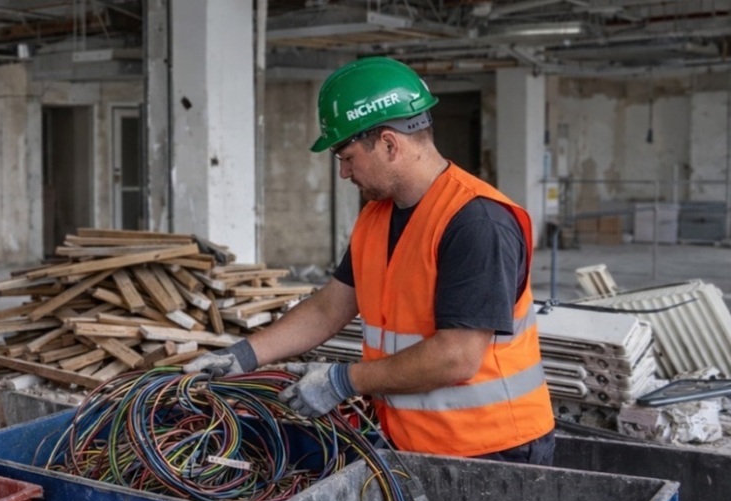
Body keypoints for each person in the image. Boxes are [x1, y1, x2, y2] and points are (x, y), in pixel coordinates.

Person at [185, 57, 555, 465]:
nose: (344, 173)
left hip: (493, 450)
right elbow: (330, 307)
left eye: (346, 157)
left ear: (389, 144)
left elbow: (457, 356)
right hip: (414, 441)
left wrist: (343, 380)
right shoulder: (376, 217)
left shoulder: (476, 222)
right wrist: (243, 355)